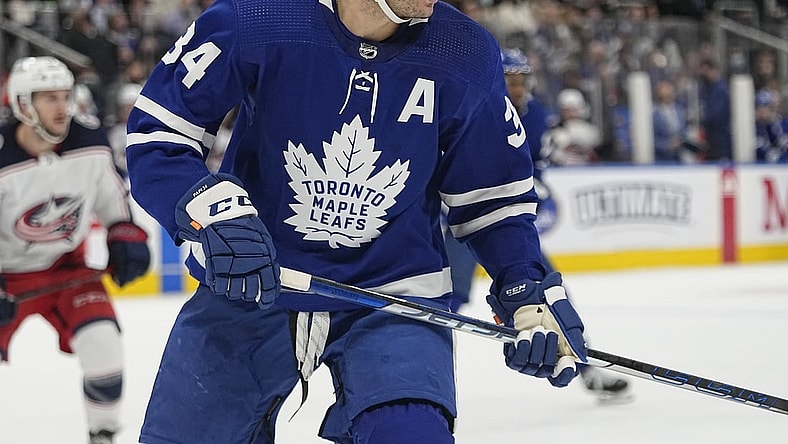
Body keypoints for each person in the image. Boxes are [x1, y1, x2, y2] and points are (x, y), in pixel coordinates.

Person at [126, 1, 588, 443]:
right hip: (253, 281)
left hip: (395, 296)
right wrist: (210, 211)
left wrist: (524, 285)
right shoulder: (256, 16)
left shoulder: (464, 51)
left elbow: (495, 199)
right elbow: (160, 134)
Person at [447, 47, 631, 403]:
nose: (517, 88)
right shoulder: (465, 109)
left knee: (549, 292)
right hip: (457, 226)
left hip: (505, 227)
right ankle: (424, 382)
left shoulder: (534, 117)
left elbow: (533, 169)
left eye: (521, 80)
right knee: (445, 303)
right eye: (509, 80)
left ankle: (585, 367)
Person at [0, 56, 151, 444]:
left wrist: (125, 236)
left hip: (68, 270)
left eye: (65, 95)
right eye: (49, 97)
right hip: (5, 277)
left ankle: (102, 435)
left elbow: (113, 203)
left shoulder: (90, 143)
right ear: (21, 104)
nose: (62, 106)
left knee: (103, 344)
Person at [541, 87, 603, 166]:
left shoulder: (590, 130)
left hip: (586, 171)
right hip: (560, 170)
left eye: (573, 109)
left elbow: (594, 152)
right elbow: (548, 153)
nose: (570, 113)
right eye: (566, 110)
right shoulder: (552, 129)